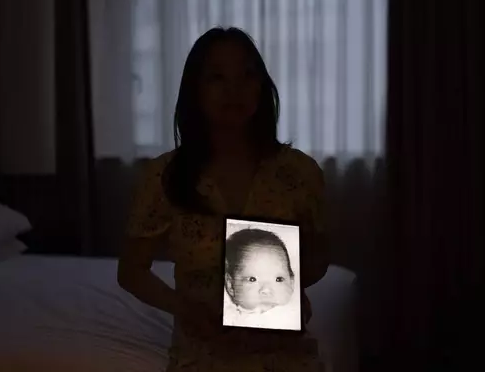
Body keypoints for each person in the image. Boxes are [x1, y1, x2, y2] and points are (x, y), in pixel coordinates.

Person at [118, 26, 329, 371]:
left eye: (247, 75)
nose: (235, 89)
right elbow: (130, 272)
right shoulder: (165, 176)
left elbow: (321, 256)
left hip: (283, 350)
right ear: (195, 91)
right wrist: (184, 309)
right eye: (217, 77)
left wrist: (291, 284)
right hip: (203, 352)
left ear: (262, 86)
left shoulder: (300, 172)